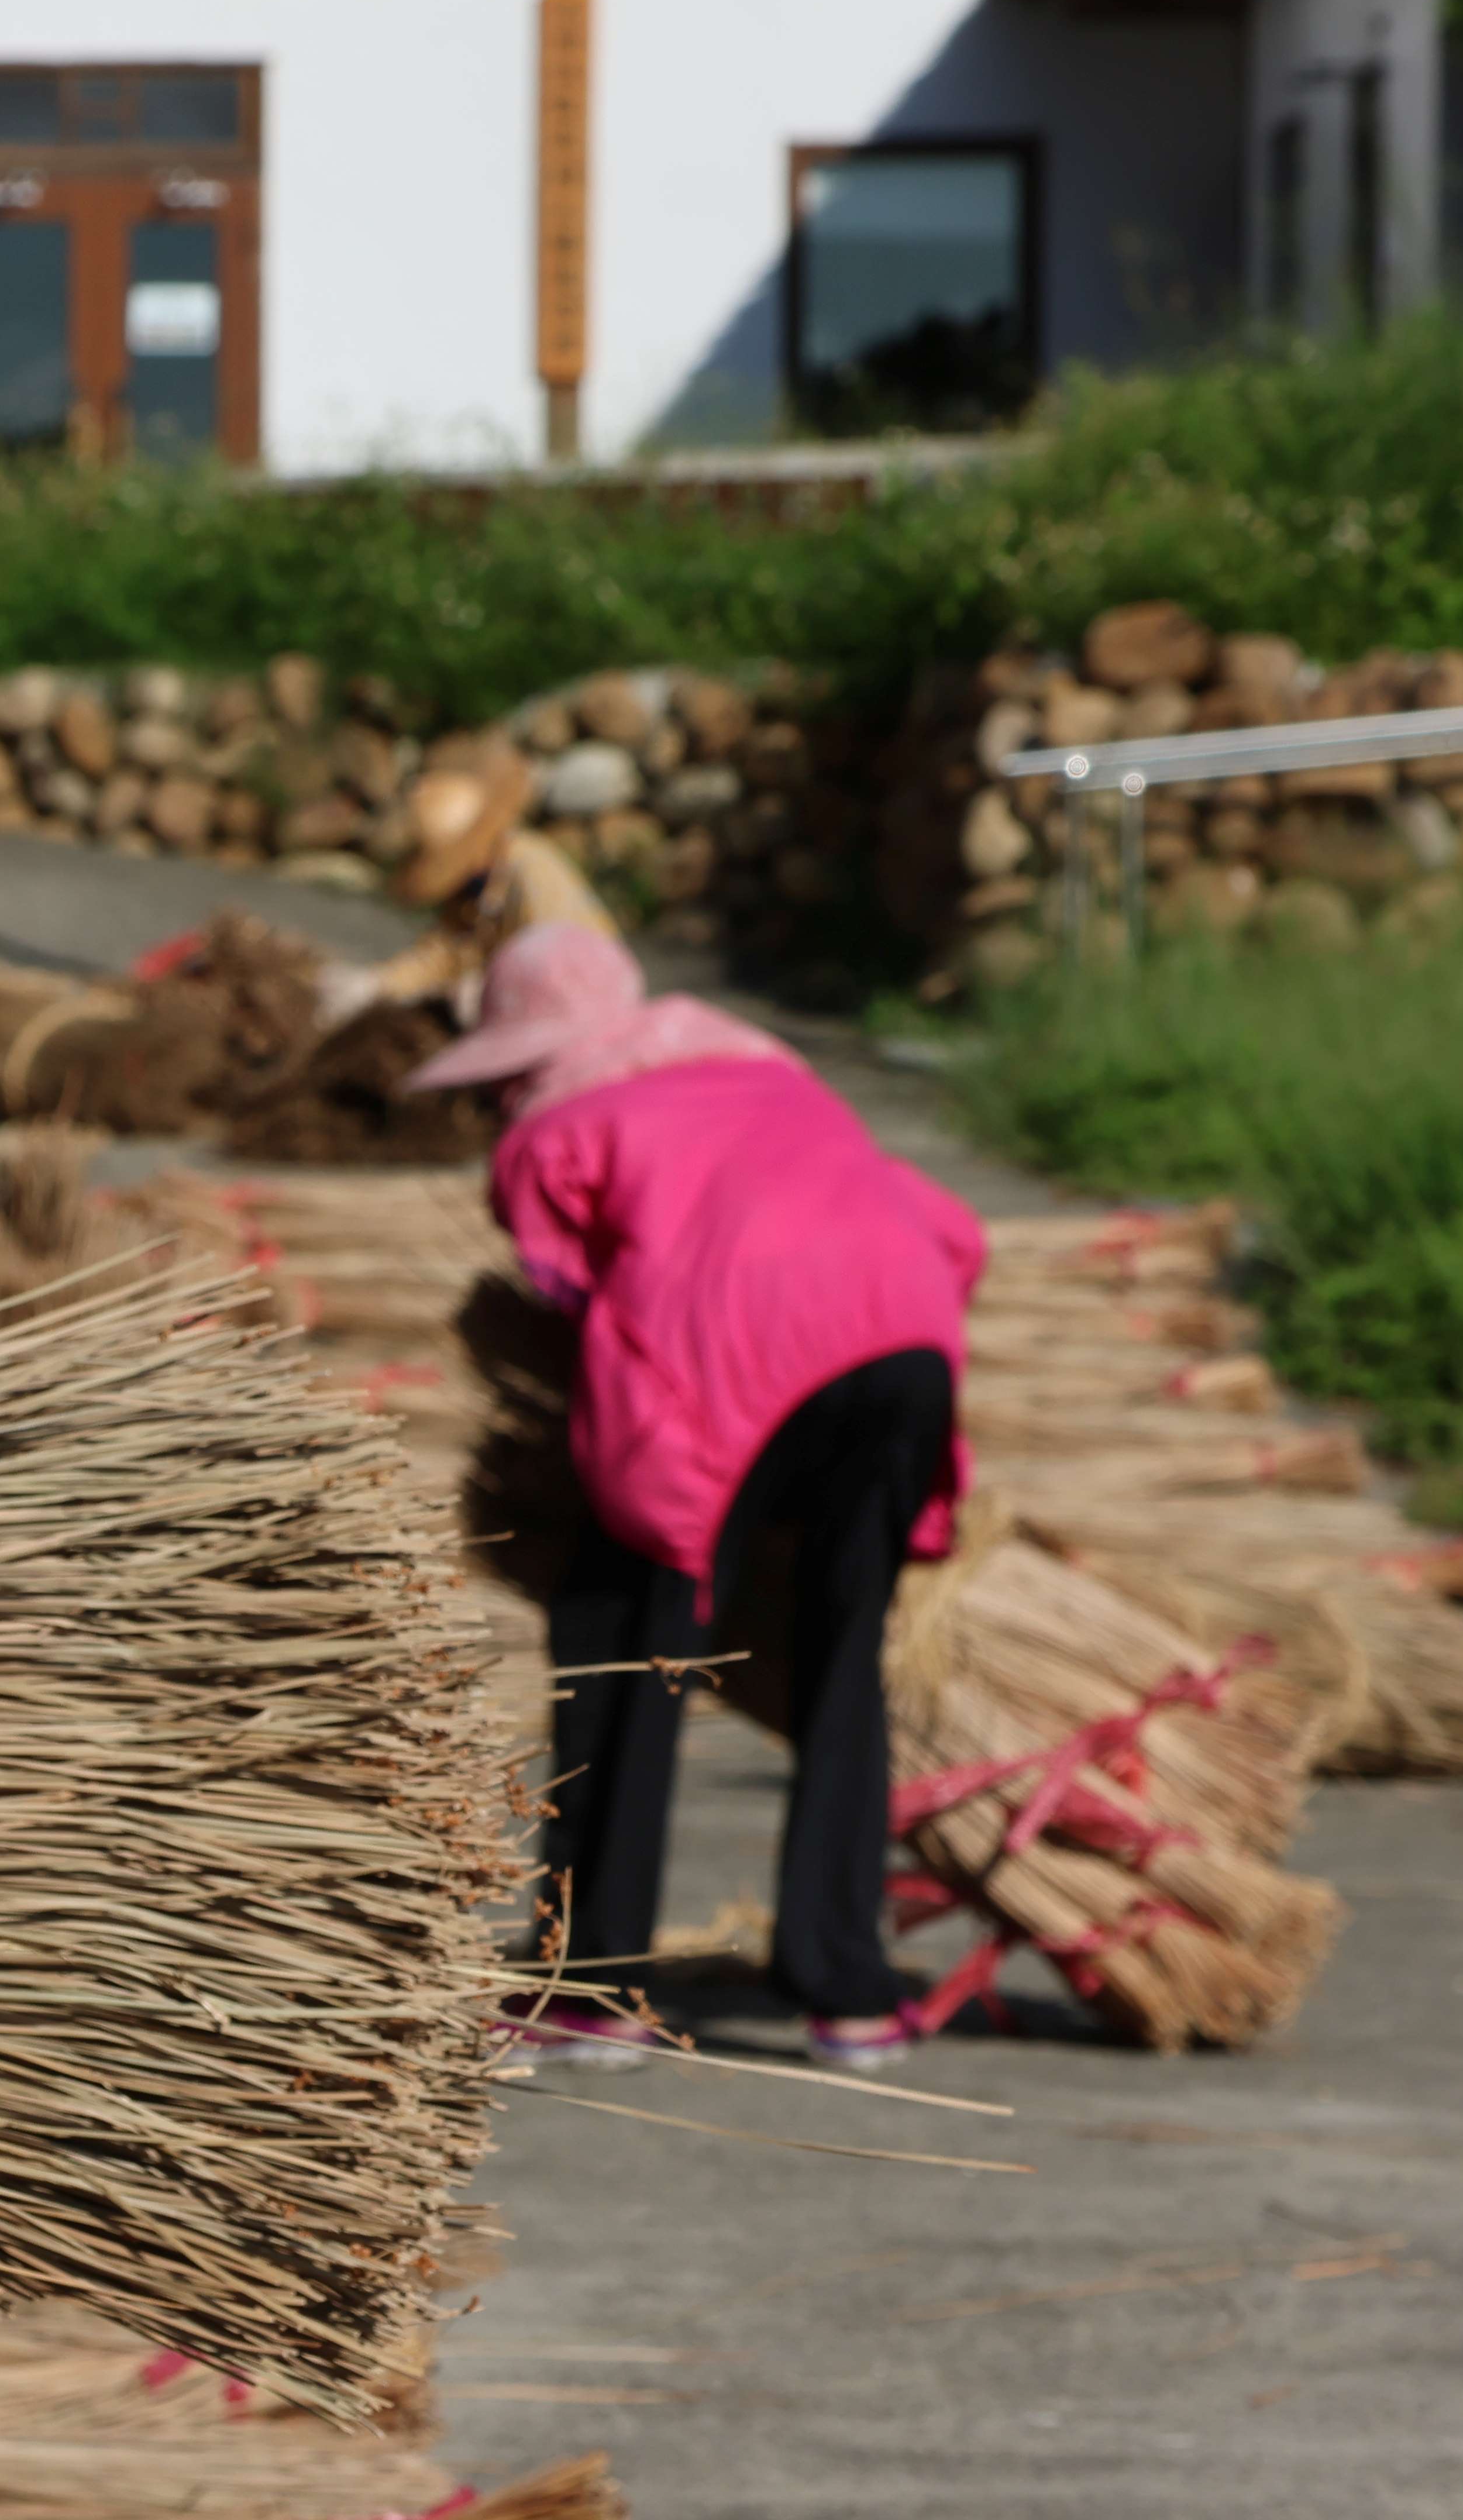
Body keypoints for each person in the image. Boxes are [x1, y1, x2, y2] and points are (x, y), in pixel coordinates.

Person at [406, 925, 983, 2074]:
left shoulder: (554, 1128)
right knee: (839, 1648)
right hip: (910, 1340)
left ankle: (592, 1984)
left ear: (522, 1056)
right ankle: (847, 1993)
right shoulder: (774, 1074)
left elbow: (567, 1292)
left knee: (621, 1632)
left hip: (735, 1361)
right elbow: (954, 1230)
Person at [363, 730, 614, 1016]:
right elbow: (447, 951)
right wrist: (383, 982)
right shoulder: (476, 890)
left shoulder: (530, 871)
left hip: (580, 1006)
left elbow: (561, 958)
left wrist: (487, 987)